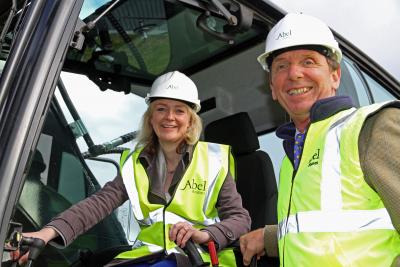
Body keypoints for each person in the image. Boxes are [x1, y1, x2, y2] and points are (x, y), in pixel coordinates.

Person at [20, 71, 251, 267]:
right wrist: (48, 232)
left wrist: (205, 235)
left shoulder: (213, 161)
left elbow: (240, 219)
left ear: (190, 120)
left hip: (197, 258)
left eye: (179, 110)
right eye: (161, 109)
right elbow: (97, 205)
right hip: (147, 257)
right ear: (150, 118)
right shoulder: (134, 163)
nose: (169, 117)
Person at [239, 13, 400, 267]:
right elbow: (315, 227)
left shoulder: (372, 128)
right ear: (272, 86)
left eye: (308, 61)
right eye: (281, 66)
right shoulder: (291, 160)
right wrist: (269, 237)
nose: (294, 74)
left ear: (335, 75)